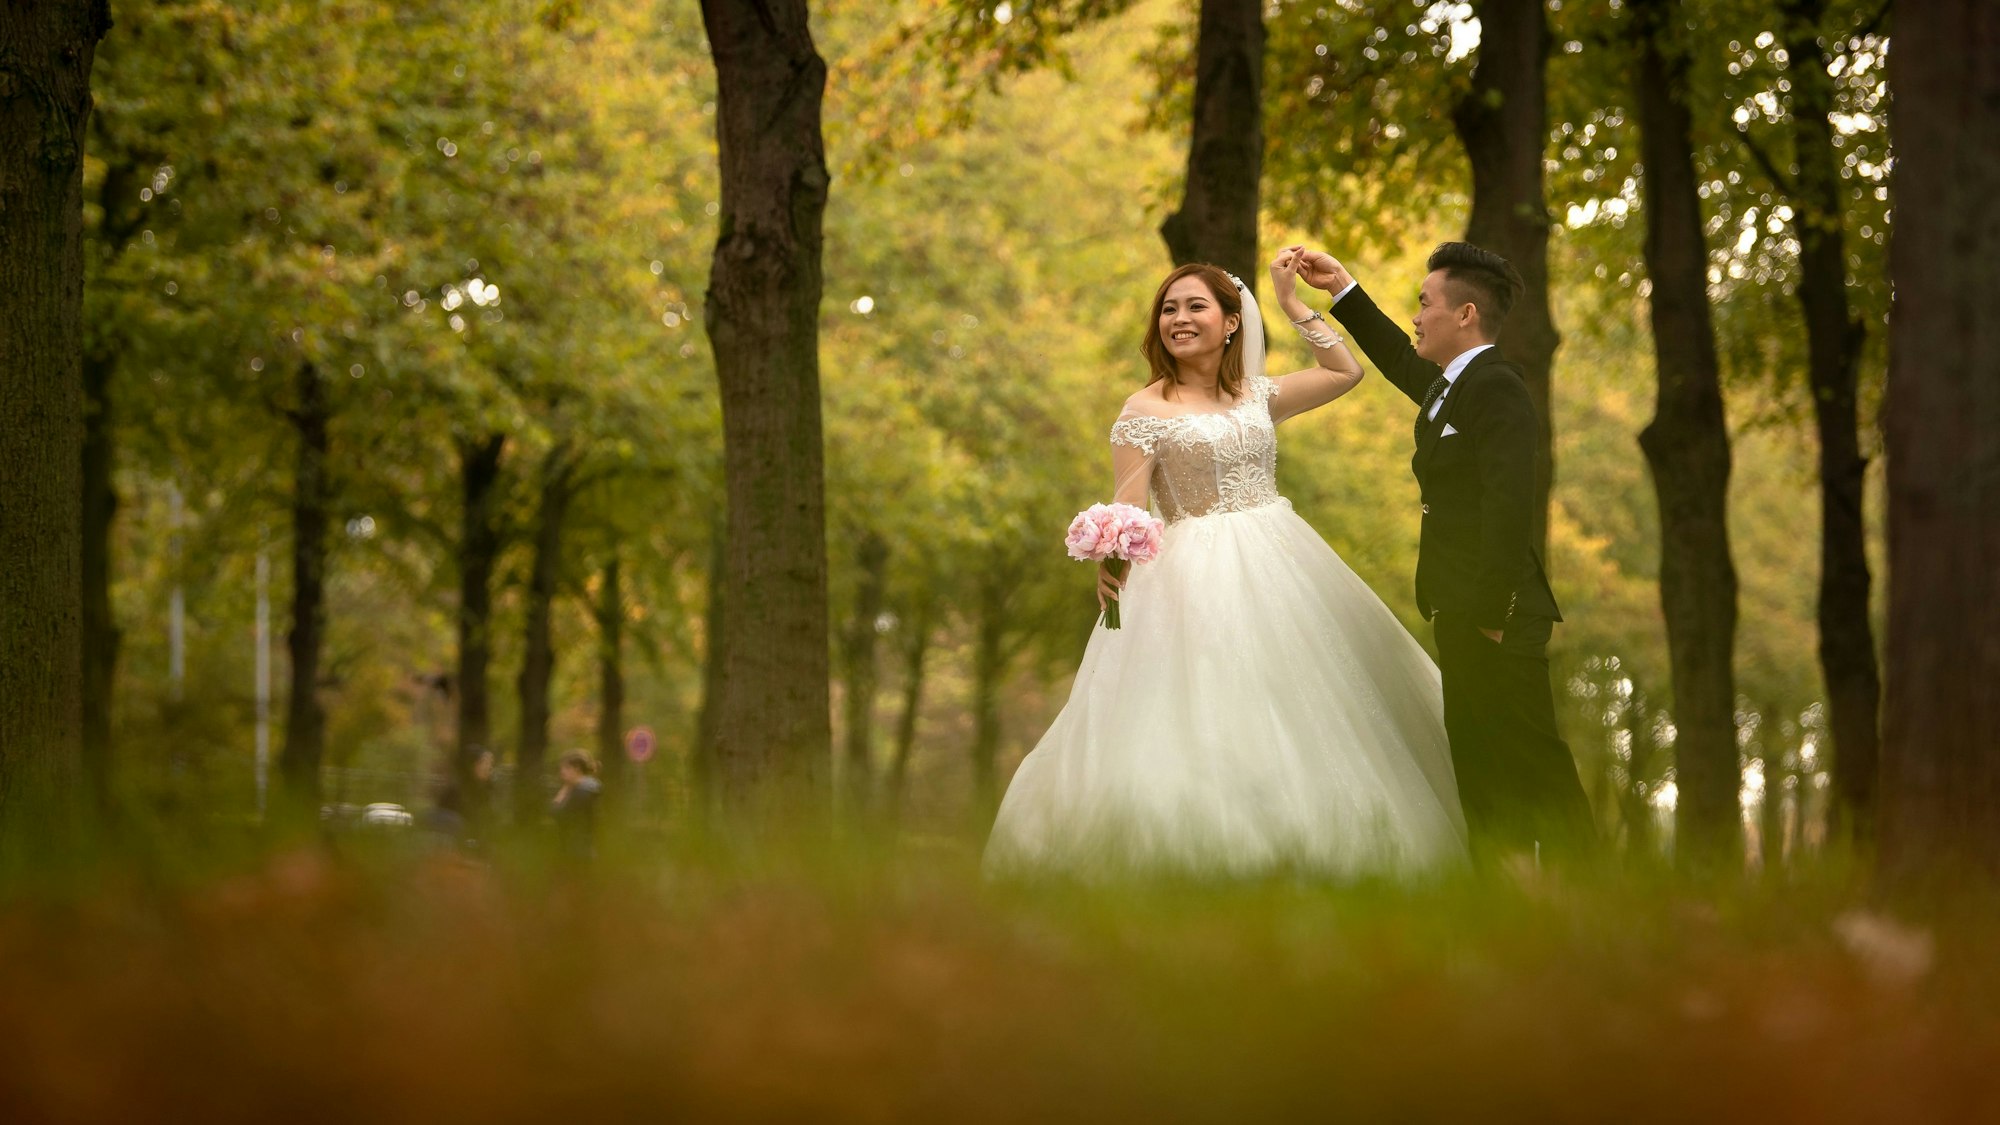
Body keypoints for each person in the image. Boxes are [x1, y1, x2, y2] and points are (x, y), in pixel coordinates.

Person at [983, 253, 1467, 879]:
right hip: (1189, 576)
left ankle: (1312, 851)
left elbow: (1346, 371)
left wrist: (1295, 307)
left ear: (1232, 322)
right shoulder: (1142, 411)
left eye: (1195, 306)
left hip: (1281, 562)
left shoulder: (1257, 397)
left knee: (1310, 699)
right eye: (1168, 308)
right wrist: (1112, 552)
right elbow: (1130, 508)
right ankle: (1202, 856)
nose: (1178, 319)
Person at [1302, 242, 1596, 861]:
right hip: (1459, 608)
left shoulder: (1497, 388)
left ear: (1464, 314)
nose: (1415, 316)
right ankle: (1506, 896)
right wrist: (1343, 290)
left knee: (1532, 759)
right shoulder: (1450, 389)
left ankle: (1591, 894)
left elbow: (1510, 508)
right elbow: (1393, 359)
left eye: (1424, 303)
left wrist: (1491, 614)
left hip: (1499, 614)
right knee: (1479, 765)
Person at [550, 750, 601, 862]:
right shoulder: (590, 787)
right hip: (584, 851)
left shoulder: (581, 791)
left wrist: (564, 790)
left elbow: (558, 813)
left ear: (576, 768)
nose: (561, 772)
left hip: (578, 853)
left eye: (565, 768)